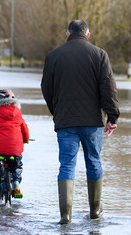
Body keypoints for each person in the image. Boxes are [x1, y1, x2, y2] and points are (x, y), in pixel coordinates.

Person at [40, 19, 120, 223]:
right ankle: (95, 211)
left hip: (65, 121)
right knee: (93, 162)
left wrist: (56, 112)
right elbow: (108, 88)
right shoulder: (99, 55)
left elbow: (46, 89)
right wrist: (112, 116)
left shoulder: (53, 56)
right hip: (92, 121)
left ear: (67, 34)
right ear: (88, 34)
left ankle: (65, 215)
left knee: (67, 164)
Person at [0, 89, 30, 198]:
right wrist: (26, 139)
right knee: (17, 165)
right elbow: (24, 129)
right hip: (15, 149)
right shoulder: (17, 113)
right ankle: (16, 184)